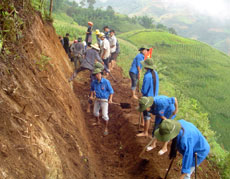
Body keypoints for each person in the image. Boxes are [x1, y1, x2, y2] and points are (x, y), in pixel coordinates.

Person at [137, 58, 159, 137]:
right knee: (146, 113)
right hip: (154, 96)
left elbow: (145, 90)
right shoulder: (155, 73)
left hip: (147, 98)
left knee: (147, 114)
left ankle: (145, 132)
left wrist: (141, 93)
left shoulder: (147, 76)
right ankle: (143, 125)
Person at [90, 68, 114, 136]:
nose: (97, 75)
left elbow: (111, 91)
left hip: (104, 100)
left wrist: (110, 99)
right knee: (95, 112)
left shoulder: (106, 82)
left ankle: (106, 128)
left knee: (104, 115)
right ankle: (97, 122)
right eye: (96, 74)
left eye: (98, 74)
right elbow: (92, 89)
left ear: (101, 74)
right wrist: (91, 96)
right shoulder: (93, 82)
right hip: (97, 99)